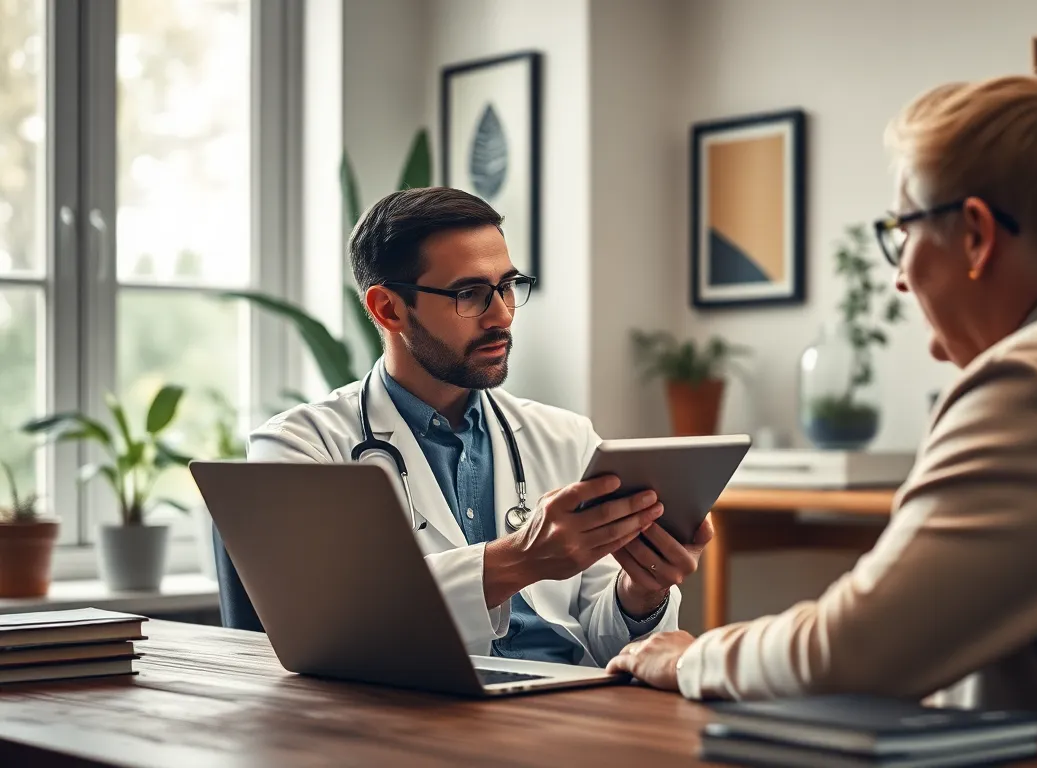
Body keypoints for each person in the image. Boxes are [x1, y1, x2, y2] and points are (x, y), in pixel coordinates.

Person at [607, 32, 1037, 727]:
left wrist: (691, 658)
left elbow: (854, 651)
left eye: (902, 231)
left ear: (976, 236)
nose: (898, 275)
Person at [246, 186, 712, 667]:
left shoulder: (567, 437)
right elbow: (329, 627)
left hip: (570, 707)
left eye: (507, 286)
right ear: (388, 308)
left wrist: (642, 591)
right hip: (408, 715)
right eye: (469, 294)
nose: (502, 315)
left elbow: (610, 646)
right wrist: (520, 560)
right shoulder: (299, 447)